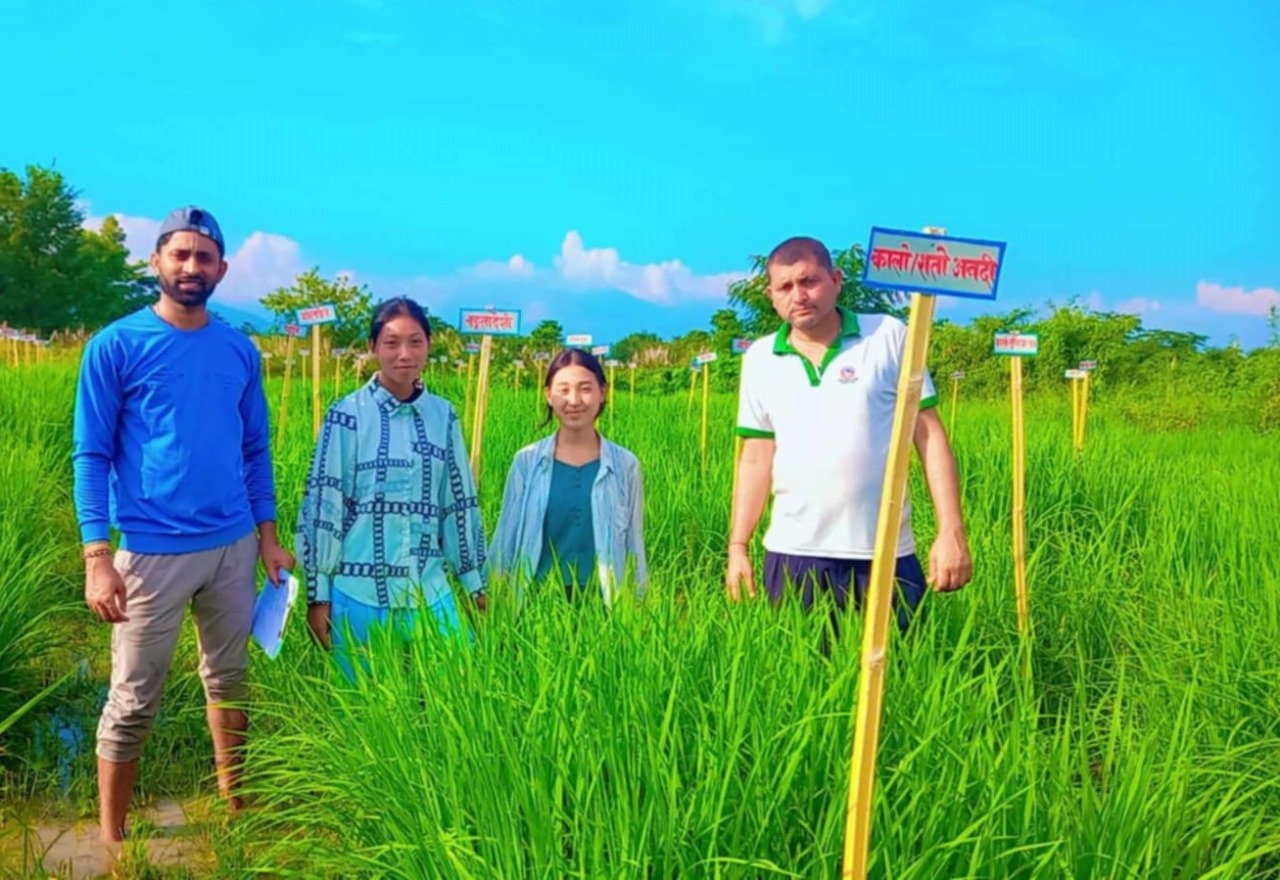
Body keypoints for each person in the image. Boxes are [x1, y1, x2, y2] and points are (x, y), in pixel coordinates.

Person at [72, 206, 294, 844]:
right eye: (180, 254)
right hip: (148, 551)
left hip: (232, 547)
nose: (192, 266)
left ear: (221, 269)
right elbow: (91, 454)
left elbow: (255, 449)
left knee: (228, 677)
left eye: (204, 257)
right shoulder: (116, 346)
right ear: (157, 262)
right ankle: (112, 838)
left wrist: (269, 538)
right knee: (133, 699)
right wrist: (96, 555)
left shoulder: (238, 349)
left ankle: (236, 806)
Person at [724, 236, 972, 637]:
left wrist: (951, 531)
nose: (799, 296)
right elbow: (756, 456)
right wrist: (738, 546)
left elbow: (928, 436)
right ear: (771, 295)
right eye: (785, 287)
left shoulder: (888, 336)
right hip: (794, 555)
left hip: (886, 551)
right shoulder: (761, 359)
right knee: (799, 683)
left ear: (836, 280)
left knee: (902, 678)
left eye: (809, 281)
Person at [296, 297, 488, 680]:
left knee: (453, 696)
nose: (405, 354)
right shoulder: (345, 416)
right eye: (391, 342)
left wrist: (473, 581)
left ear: (429, 345)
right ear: (372, 348)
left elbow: (458, 503)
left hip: (428, 588)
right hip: (359, 593)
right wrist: (318, 594)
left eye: (416, 342)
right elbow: (324, 503)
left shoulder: (443, 416)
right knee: (366, 714)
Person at [488, 348, 647, 606]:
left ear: (602, 392)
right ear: (548, 395)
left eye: (585, 388)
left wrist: (640, 603)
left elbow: (634, 541)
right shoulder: (527, 462)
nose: (574, 400)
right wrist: (493, 592)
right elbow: (507, 533)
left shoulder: (625, 465)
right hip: (537, 603)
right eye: (563, 389)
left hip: (604, 604)